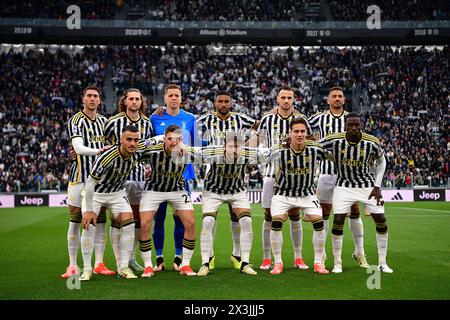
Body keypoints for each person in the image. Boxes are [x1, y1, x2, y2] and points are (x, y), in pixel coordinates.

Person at [81, 125, 160, 280]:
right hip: (96, 193)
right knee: (89, 225)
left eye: (136, 140)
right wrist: (89, 209)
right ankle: (87, 269)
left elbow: (157, 139)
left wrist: (178, 143)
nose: (132, 143)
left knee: (129, 223)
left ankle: (123, 267)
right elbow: (90, 184)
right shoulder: (107, 157)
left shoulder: (139, 149)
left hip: (117, 193)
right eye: (128, 139)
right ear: (121, 140)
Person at [321, 113, 393, 273]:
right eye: (350, 125)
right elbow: (316, 147)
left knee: (381, 218)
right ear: (346, 125)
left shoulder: (372, 142)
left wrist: (377, 186)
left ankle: (382, 262)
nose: (353, 128)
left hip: (368, 186)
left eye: (357, 125)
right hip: (343, 186)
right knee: (338, 219)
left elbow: (382, 163)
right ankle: (337, 263)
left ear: (361, 125)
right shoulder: (334, 139)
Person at [196, 91, 259, 270]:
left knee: (242, 219)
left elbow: (260, 126)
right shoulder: (206, 120)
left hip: (237, 171)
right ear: (215, 103)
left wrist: (248, 145)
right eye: (220, 101)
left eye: (226, 102)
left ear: (230, 103)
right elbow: (188, 125)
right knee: (208, 221)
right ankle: (207, 260)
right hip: (215, 166)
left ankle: (240, 258)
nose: (223, 104)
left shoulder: (240, 118)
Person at [308, 86, 369, 268]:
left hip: (349, 175)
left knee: (354, 212)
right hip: (326, 173)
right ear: (327, 100)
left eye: (340, 96)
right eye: (333, 96)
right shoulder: (320, 117)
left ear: (344, 100)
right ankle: (322, 254)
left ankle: (360, 252)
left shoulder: (351, 118)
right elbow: (301, 127)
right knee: (324, 214)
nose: (337, 99)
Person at [254, 86, 312, 270]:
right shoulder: (268, 118)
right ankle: (266, 257)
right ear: (277, 100)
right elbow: (257, 140)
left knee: (294, 215)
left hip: (295, 174)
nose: (286, 101)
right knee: (268, 215)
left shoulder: (301, 120)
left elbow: (310, 142)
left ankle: (298, 257)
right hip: (271, 173)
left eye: (289, 97)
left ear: (293, 100)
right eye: (283, 97)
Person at [61, 85, 115, 279]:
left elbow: (116, 143)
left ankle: (99, 263)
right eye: (89, 96)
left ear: (99, 100)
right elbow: (78, 147)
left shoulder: (104, 121)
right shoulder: (76, 120)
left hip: (100, 178)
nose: (92, 99)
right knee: (75, 220)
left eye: (96, 96)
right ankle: (73, 265)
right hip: (79, 178)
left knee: (99, 221)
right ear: (83, 99)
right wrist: (99, 151)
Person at [266, 117, 329, 275]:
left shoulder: (315, 149)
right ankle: (278, 262)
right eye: (296, 131)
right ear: (290, 133)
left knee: (318, 221)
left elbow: (331, 156)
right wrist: (280, 144)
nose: (299, 134)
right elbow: (266, 158)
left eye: (302, 131)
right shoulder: (281, 151)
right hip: (283, 193)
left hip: (307, 193)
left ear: (306, 133)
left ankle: (318, 262)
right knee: (277, 221)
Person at [104, 88, 154, 272]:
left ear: (141, 102)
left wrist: (149, 167)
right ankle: (119, 262)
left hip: (139, 178)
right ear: (124, 101)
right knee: (117, 220)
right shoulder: (113, 122)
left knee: (136, 220)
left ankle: (131, 259)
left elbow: (149, 150)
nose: (134, 102)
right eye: (131, 99)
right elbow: (103, 145)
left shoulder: (147, 124)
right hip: (117, 179)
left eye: (137, 99)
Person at [149, 84, 199, 272]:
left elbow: (194, 145)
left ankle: (178, 258)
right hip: (159, 178)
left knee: (181, 220)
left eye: (177, 95)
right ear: (165, 98)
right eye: (170, 95)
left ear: (181, 97)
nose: (174, 98)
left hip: (182, 177)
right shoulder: (155, 117)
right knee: (158, 219)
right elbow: (148, 146)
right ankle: (159, 258)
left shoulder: (189, 118)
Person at [138, 124, 197, 277]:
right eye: (170, 138)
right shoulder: (153, 151)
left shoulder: (187, 152)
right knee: (145, 223)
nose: (173, 142)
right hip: (154, 189)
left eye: (177, 139)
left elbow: (209, 153)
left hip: (177, 188)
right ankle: (148, 266)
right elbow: (133, 150)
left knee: (190, 223)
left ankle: (185, 265)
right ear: (164, 139)